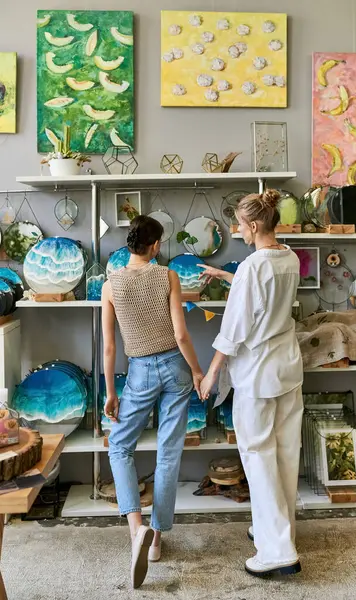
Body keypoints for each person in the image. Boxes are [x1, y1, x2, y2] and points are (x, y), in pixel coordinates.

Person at [199, 190, 304, 578]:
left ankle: (277, 551)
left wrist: (211, 373)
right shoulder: (289, 258)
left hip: (258, 374)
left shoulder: (252, 267)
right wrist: (227, 275)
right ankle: (277, 530)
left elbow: (234, 328)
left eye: (240, 225)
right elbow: (265, 293)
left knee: (258, 458)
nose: (237, 230)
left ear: (254, 225)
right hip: (287, 370)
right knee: (285, 455)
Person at [102, 215, 203, 590]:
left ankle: (136, 529)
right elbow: (180, 333)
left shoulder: (111, 285)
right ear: (156, 246)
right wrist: (196, 371)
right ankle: (156, 540)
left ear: (131, 245)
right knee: (168, 452)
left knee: (120, 446)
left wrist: (112, 391)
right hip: (175, 368)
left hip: (140, 371)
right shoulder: (168, 276)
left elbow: (109, 346)